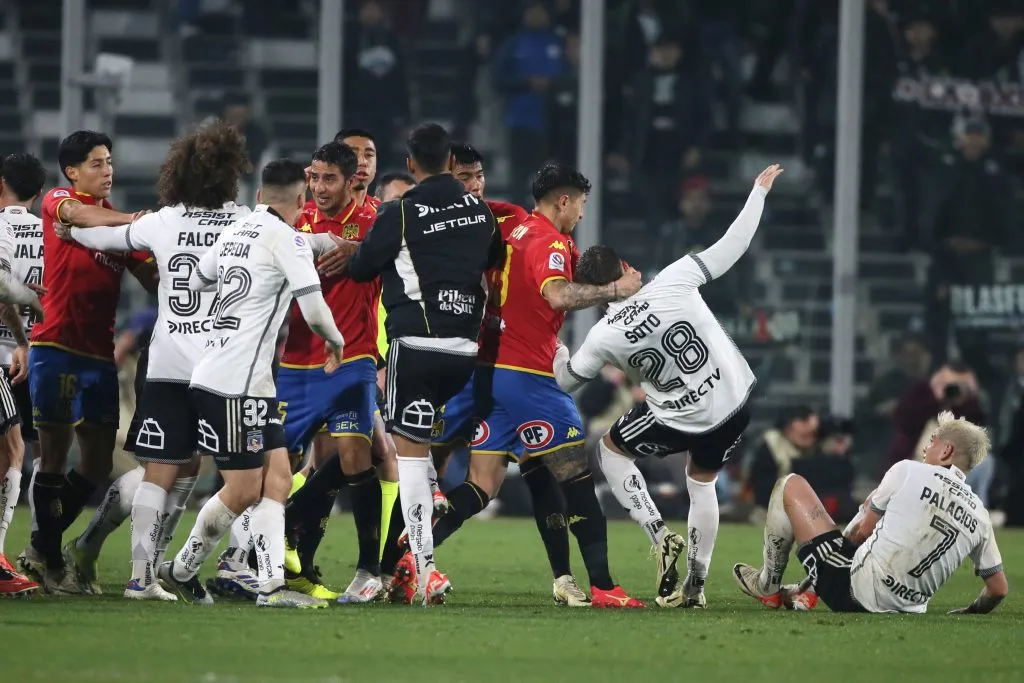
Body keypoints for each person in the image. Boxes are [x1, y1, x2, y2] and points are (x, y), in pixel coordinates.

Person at [554, 165, 783, 608]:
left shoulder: (601, 335)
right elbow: (731, 247)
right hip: (735, 401)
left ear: (595, 294)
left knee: (609, 450)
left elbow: (565, 383)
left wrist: (559, 351)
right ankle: (695, 588)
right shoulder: (675, 277)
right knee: (702, 483)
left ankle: (659, 534)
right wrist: (757, 193)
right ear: (623, 270)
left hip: (683, 417)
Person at [424, 162, 644, 608]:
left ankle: (409, 558)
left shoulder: (515, 226)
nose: (582, 213)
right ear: (563, 200)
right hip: (528, 376)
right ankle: (603, 586)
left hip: (492, 373)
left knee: (481, 486)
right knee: (577, 476)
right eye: (580, 203)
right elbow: (558, 295)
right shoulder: (549, 241)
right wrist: (616, 289)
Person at [56, 121, 252, 601]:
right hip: (222, 368)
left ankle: (141, 577)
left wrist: (64, 228)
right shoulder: (246, 221)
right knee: (225, 474)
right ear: (230, 177)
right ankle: (184, 567)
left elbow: (100, 238)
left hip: (166, 364)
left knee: (165, 470)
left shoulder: (164, 220)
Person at [328, 123, 501, 605]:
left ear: (410, 164)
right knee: (420, 451)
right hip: (464, 353)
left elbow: (362, 268)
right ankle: (433, 504)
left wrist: (360, 252)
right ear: (450, 162)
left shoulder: (401, 213)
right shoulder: (479, 210)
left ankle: (425, 570)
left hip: (416, 347)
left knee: (408, 458)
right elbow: (491, 256)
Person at [160, 159, 346, 608]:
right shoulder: (290, 240)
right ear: (302, 201)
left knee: (278, 479)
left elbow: (201, 278)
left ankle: (267, 586)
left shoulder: (236, 229)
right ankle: (182, 570)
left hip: (242, 381)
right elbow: (315, 308)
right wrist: (336, 343)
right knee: (244, 490)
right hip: (233, 386)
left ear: (260, 196)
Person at [430, 142, 589, 604]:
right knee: (418, 463)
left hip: (495, 362)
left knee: (523, 473)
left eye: (477, 176)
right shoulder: (423, 224)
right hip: (449, 362)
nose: (474, 187)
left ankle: (563, 576)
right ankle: (395, 561)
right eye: (463, 178)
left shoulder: (504, 218)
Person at [18, 130, 158, 594]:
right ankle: (53, 560)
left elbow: (155, 279)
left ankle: (42, 547)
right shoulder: (61, 201)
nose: (108, 170)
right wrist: (138, 221)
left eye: (110, 162)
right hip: (55, 346)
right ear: (73, 171)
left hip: (99, 354)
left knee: (97, 464)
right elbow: (79, 216)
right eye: (97, 163)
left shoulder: (121, 232)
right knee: (54, 457)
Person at [734, 412, 1008, 616]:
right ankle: (805, 590)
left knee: (790, 484)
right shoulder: (980, 515)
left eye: (933, 440)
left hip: (856, 595)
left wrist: (821, 574)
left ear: (946, 450)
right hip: (911, 609)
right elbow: (998, 589)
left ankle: (767, 585)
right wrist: (971, 612)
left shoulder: (908, 470)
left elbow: (859, 534)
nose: (926, 446)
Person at [270, 141, 382, 603]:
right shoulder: (298, 221)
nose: (318, 187)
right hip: (296, 361)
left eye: (328, 179)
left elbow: (402, 258)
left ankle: (368, 569)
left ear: (352, 179)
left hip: (353, 358)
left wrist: (361, 251)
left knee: (358, 456)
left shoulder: (376, 220)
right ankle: (257, 561)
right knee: (275, 465)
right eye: (313, 178)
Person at [0, 152, 47, 596]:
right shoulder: (50, 234)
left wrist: (19, 340)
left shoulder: (0, 228)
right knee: (26, 455)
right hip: (37, 361)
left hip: (11, 355)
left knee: (12, 452)